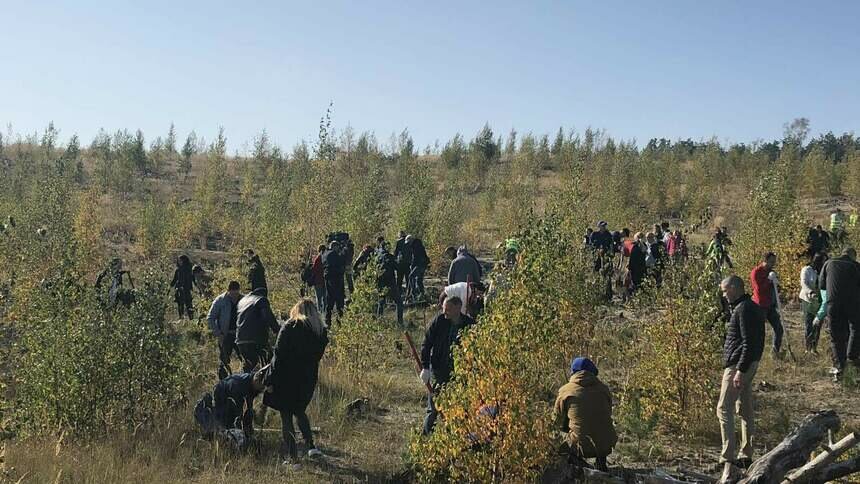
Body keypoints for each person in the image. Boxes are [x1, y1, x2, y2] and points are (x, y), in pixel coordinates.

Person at [264, 299, 329, 466]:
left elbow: (278, 356)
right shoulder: (319, 332)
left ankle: (293, 458)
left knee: (286, 416)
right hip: (307, 379)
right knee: (300, 411)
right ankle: (311, 446)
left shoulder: (290, 327)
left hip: (286, 377)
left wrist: (270, 379)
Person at [717, 275, 765, 479]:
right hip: (748, 363)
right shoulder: (751, 306)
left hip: (738, 364)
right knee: (745, 409)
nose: (724, 294)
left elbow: (747, 341)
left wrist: (740, 370)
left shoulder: (743, 309)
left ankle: (728, 456)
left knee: (723, 408)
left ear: (735, 288)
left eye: (725, 290)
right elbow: (757, 341)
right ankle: (746, 453)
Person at [419, 297, 476, 435]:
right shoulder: (439, 321)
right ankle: (426, 438)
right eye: (444, 309)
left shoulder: (470, 325)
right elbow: (426, 344)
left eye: (448, 309)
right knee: (433, 408)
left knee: (458, 408)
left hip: (460, 374)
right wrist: (425, 367)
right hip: (439, 370)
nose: (445, 312)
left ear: (458, 307)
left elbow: (477, 350)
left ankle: (454, 438)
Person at [554, 357, 617, 473]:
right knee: (598, 426)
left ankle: (577, 467)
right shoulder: (604, 389)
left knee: (559, 441)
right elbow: (607, 414)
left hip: (581, 445)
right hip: (606, 444)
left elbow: (557, 421)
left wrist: (568, 427)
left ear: (573, 372)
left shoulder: (565, 391)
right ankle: (601, 464)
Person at [818, 247, 860, 381]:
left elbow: (822, 285)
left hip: (833, 303)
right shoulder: (856, 266)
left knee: (836, 335)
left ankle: (840, 366)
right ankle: (852, 357)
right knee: (855, 328)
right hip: (852, 304)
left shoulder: (828, 263)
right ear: (853, 256)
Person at [235, 287, 280, 372]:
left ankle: (245, 383)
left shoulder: (242, 301)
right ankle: (266, 383)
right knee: (266, 365)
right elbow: (267, 316)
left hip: (240, 340)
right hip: (255, 340)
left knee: (249, 367)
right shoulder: (261, 300)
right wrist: (277, 330)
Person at [213, 368, 267, 437]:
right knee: (227, 421)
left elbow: (248, 408)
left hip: (232, 394)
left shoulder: (253, 384)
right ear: (256, 379)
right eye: (262, 386)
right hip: (222, 395)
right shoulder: (239, 386)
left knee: (248, 412)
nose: (262, 389)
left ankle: (246, 434)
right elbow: (238, 412)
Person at [750, 252, 784, 356]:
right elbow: (759, 289)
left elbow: (775, 287)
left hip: (770, 304)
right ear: (765, 260)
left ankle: (775, 352)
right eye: (771, 261)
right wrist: (769, 280)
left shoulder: (771, 272)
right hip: (760, 305)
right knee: (759, 332)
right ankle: (754, 354)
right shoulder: (756, 272)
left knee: (779, 329)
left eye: (774, 261)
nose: (773, 263)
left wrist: (777, 284)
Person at [207, 281, 242, 379]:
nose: (235, 296)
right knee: (224, 361)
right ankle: (223, 384)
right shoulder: (220, 300)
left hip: (240, 335)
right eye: (233, 294)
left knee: (245, 360)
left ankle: (244, 382)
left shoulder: (244, 299)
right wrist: (218, 334)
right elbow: (210, 318)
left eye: (237, 293)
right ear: (228, 291)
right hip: (225, 335)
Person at [799, 254, 826, 353]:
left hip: (819, 301)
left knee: (817, 324)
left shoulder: (823, 271)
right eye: (822, 261)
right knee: (809, 324)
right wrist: (810, 292)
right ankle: (807, 348)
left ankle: (814, 348)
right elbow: (804, 283)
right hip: (808, 299)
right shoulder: (806, 270)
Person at [376, 244, 404, 327]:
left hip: (381, 284)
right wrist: (399, 260)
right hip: (391, 283)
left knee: (381, 303)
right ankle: (400, 322)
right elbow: (398, 268)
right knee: (399, 302)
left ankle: (379, 321)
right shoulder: (391, 257)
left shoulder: (378, 257)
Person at [322, 241, 346, 325]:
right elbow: (341, 263)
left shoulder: (325, 254)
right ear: (335, 246)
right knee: (339, 302)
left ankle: (327, 321)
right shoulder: (334, 255)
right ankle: (339, 322)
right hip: (336, 280)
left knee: (329, 301)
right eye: (338, 247)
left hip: (328, 280)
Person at [169, 255, 197, 319]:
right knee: (183, 304)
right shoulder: (179, 270)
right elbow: (175, 280)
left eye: (180, 260)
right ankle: (184, 318)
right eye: (178, 260)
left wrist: (196, 286)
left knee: (186, 304)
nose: (179, 262)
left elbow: (193, 279)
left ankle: (188, 318)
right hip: (181, 289)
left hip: (184, 289)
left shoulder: (188, 269)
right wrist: (170, 287)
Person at [409, 237, 430, 302]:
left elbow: (415, 258)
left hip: (419, 265)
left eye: (408, 242)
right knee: (419, 280)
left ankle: (414, 295)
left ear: (411, 240)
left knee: (411, 276)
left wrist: (412, 266)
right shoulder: (419, 244)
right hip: (423, 264)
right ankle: (422, 294)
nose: (408, 244)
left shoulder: (414, 246)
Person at [311, 245, 326, 311]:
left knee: (319, 298)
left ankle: (319, 311)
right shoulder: (326, 258)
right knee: (325, 298)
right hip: (325, 280)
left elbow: (314, 270)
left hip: (318, 281)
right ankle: (325, 310)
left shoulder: (317, 259)